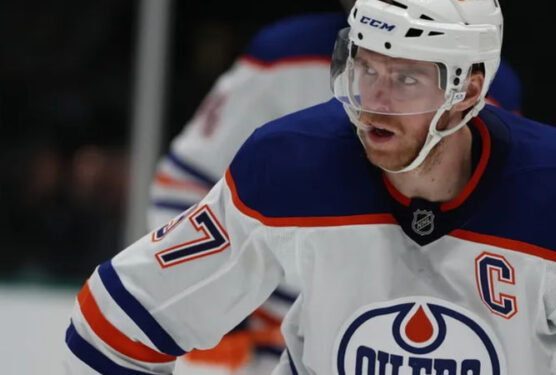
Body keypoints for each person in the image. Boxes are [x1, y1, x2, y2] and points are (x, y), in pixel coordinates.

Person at [65, 0, 556, 373]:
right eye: (365, 69)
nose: (375, 99)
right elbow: (114, 321)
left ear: (470, 89)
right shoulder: (289, 168)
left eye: (407, 78)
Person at [148, 2, 522, 373]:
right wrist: (216, 309)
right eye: (367, 70)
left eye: (407, 79)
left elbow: (494, 235)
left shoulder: (487, 82)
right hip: (256, 345)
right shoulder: (286, 52)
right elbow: (183, 185)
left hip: (392, 349)